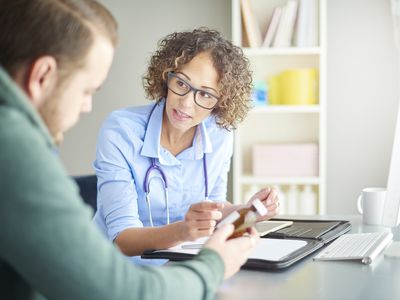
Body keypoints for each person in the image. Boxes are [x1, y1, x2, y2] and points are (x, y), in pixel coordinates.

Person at [0, 1, 258, 299]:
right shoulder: (15, 149)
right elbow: (124, 289)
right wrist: (214, 264)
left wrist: (241, 212)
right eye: (87, 91)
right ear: (42, 76)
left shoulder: (17, 137)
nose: (87, 107)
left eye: (204, 95)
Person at [93, 28, 280, 264]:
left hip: (180, 266)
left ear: (221, 102)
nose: (186, 103)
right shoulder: (121, 131)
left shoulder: (219, 134)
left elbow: (213, 210)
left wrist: (249, 211)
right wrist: (184, 230)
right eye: (181, 83)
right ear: (165, 75)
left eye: (205, 95)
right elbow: (122, 239)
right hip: (116, 269)